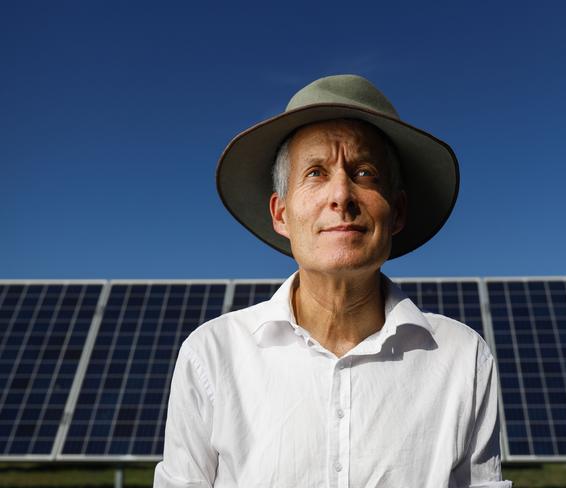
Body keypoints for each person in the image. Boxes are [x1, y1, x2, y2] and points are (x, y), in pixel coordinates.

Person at [153, 74, 512, 487]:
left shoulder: (463, 358)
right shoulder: (212, 354)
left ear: (396, 212)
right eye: (315, 173)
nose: (341, 195)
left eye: (364, 173)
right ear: (281, 214)